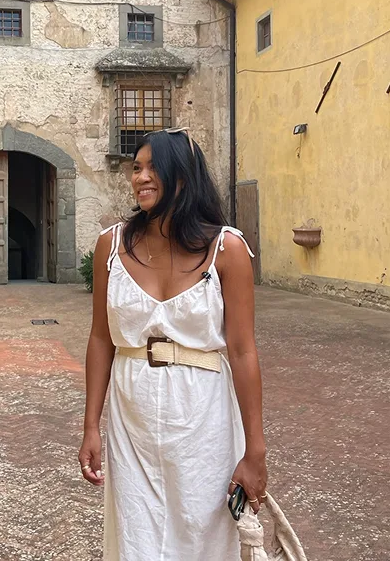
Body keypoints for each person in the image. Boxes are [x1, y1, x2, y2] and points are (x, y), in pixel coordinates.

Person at [79, 128, 266, 560]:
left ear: (181, 178)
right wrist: (91, 425)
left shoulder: (227, 249)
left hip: (204, 415)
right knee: (136, 534)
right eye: (136, 168)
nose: (140, 177)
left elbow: (242, 350)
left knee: (205, 532)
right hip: (132, 414)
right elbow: (100, 338)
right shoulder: (111, 246)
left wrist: (255, 449)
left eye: (152, 168)